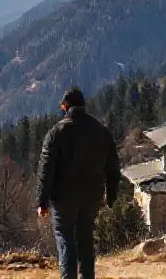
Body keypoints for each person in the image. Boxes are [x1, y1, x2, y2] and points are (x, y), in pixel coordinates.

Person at [35, 86, 121, 279]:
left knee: (65, 239)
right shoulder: (101, 131)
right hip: (91, 196)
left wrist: (42, 201)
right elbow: (113, 167)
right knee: (85, 240)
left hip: (63, 198)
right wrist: (111, 195)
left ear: (65, 107)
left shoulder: (56, 133)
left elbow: (46, 169)